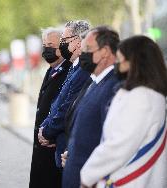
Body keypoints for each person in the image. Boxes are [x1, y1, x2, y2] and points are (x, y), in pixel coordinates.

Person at [80, 35, 167, 188]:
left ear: (134, 62)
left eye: (120, 59)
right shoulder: (147, 95)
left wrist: (87, 176)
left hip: (131, 181)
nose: (117, 64)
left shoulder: (142, 98)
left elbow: (119, 145)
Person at [62, 26, 120, 188]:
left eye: (88, 49)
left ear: (105, 51)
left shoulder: (114, 87)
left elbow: (110, 141)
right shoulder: (95, 81)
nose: (82, 53)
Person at [38, 20, 91, 169]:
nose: (61, 44)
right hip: (61, 151)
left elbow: (67, 107)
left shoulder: (83, 70)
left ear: (78, 42)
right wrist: (44, 127)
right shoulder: (74, 67)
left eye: (64, 40)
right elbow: (58, 102)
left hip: (69, 152)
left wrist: (47, 132)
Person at [29, 27, 71, 188]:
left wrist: (50, 133)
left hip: (53, 147)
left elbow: (65, 108)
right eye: (44, 44)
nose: (46, 48)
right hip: (41, 150)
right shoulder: (51, 70)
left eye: (51, 44)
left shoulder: (68, 71)